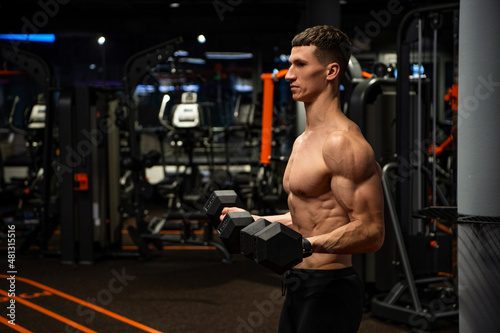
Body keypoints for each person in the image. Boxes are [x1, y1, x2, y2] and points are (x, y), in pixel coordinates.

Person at [221, 25, 385, 333]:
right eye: (289, 64)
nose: (288, 75)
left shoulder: (342, 143)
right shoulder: (302, 141)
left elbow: (372, 231)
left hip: (330, 288)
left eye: (300, 65)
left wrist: (306, 246)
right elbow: (306, 217)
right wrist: (253, 219)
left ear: (331, 71)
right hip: (299, 283)